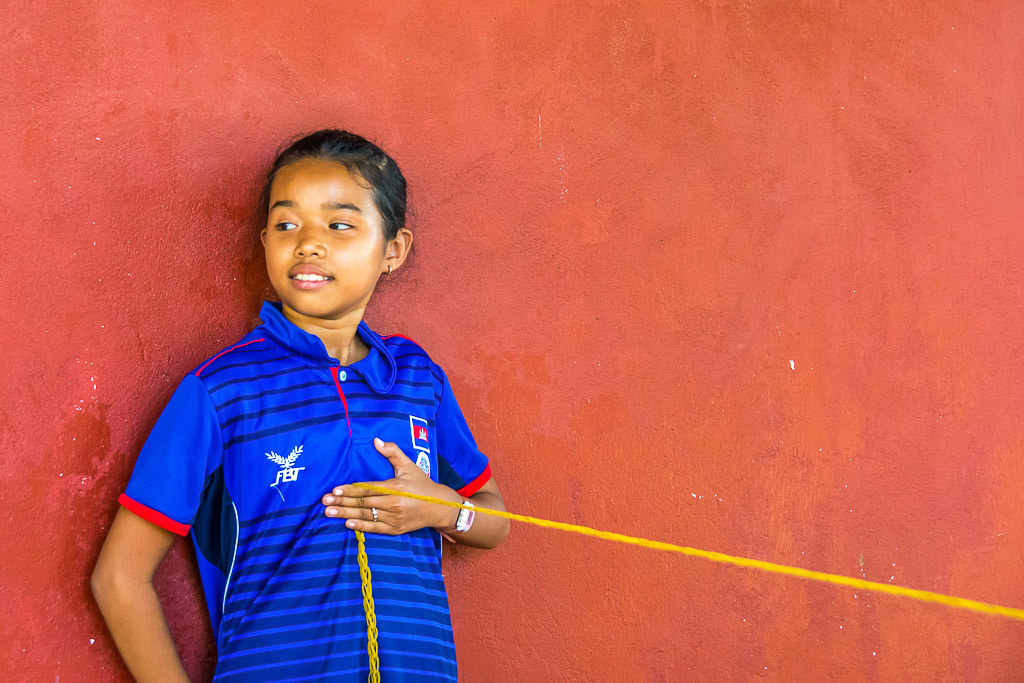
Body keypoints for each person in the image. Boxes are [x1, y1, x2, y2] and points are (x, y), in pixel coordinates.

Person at [91, 129, 510, 682]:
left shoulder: (415, 379)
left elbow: (494, 519)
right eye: (287, 225)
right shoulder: (221, 389)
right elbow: (119, 576)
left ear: (393, 250)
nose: (308, 243)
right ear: (264, 240)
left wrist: (440, 509)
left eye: (339, 225)